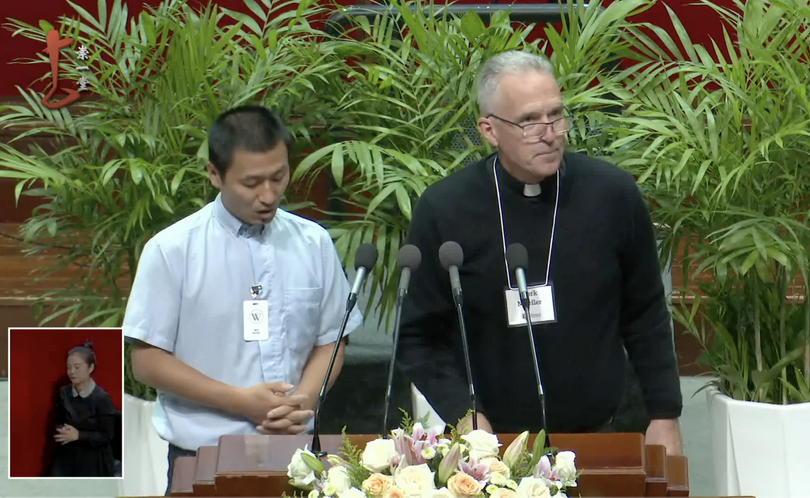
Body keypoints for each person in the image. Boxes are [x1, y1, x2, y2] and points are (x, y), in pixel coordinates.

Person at [396, 51, 684, 455]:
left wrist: (665, 415)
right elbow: (417, 338)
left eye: (556, 116)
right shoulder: (445, 209)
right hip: (492, 446)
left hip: (604, 430)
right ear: (489, 130)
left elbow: (647, 313)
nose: (550, 134)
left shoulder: (612, 195)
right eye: (529, 121)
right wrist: (465, 415)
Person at [122, 105, 363, 494]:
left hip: (298, 455)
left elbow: (331, 340)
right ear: (214, 174)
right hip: (202, 457)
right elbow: (147, 362)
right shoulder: (172, 250)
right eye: (251, 183)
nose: (268, 195)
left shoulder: (313, 242)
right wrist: (240, 401)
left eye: (278, 177)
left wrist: (304, 399)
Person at [47, 342, 117, 477]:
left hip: (94, 455)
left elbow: (106, 436)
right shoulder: (64, 392)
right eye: (69, 367)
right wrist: (62, 430)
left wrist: (79, 435)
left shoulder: (102, 398)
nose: (72, 372)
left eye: (77, 367)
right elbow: (58, 420)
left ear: (90, 368)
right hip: (69, 450)